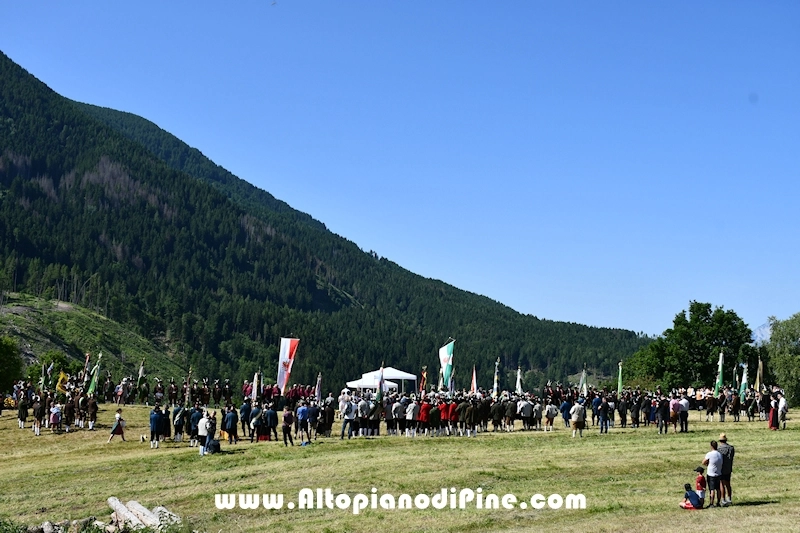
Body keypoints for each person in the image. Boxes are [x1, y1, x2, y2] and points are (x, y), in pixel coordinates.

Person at [702, 440, 723, 507]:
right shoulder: (719, 454)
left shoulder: (709, 454)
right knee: (718, 489)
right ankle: (718, 502)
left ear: (711, 446)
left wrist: (707, 464)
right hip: (718, 473)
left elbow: (703, 462)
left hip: (711, 473)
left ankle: (711, 503)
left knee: (712, 489)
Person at [717, 433, 735, 506]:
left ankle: (723, 499)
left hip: (721, 468)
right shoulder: (731, 448)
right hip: (728, 468)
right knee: (728, 484)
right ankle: (729, 498)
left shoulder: (719, 449)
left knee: (722, 484)